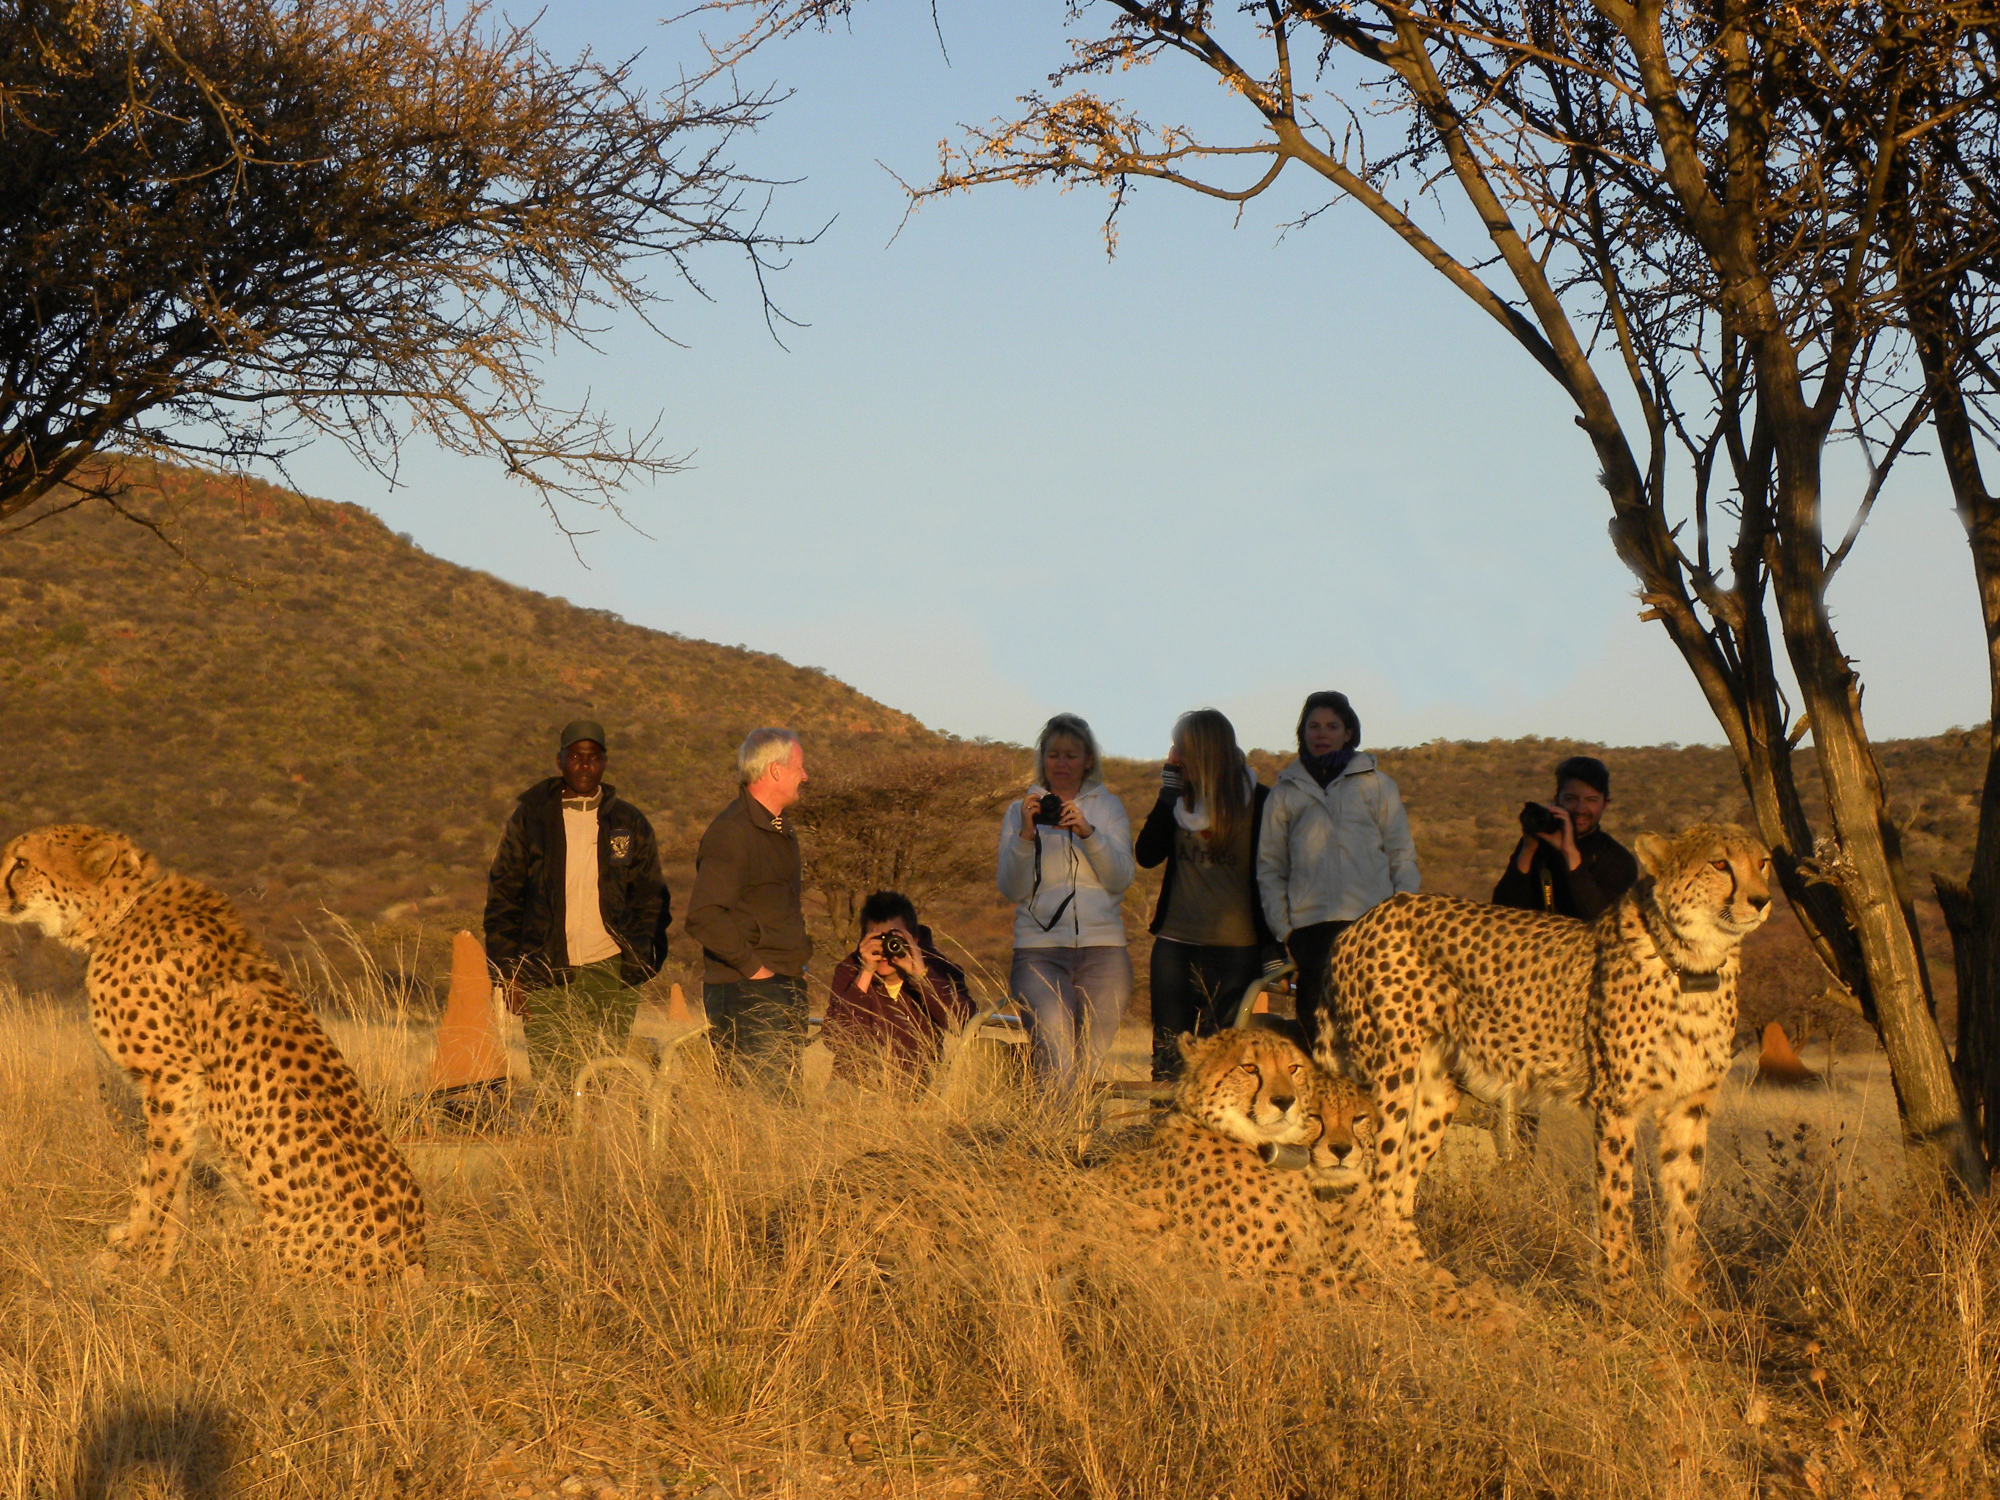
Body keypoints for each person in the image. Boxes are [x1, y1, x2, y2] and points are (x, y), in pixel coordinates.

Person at [484, 718, 669, 1091]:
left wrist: (639, 960)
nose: (585, 765)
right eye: (576, 756)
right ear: (560, 761)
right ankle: (556, 1149)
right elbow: (504, 897)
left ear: (604, 763)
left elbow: (651, 897)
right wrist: (508, 972)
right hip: (544, 971)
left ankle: (595, 1151)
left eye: (594, 757)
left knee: (603, 1081)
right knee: (554, 1083)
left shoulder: (628, 822)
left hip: (610, 972)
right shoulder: (531, 819)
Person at [1256, 690, 1419, 1045]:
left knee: (1374, 1034)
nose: (1322, 733)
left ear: (1348, 732)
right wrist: (1285, 931)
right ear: (1303, 733)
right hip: (1309, 932)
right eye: (1313, 726)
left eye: (1332, 725)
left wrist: (1402, 921)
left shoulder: (1377, 785)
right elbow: (1270, 868)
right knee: (1320, 1039)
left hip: (1372, 928)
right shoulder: (1285, 792)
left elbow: (1401, 857)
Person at [1135, 708, 1282, 1081]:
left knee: (1223, 1063)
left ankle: (1214, 1138)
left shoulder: (1262, 802)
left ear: (1205, 750)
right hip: (1174, 946)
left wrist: (1273, 945)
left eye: (1181, 748)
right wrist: (1167, 794)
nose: (1175, 756)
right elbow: (1147, 855)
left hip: (1236, 951)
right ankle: (1166, 1133)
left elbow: (1275, 876)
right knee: (1169, 1057)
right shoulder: (1178, 801)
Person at [996, 712, 1135, 1092]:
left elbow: (1120, 878)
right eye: (1053, 754)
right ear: (1042, 758)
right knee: (1056, 1060)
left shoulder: (1108, 809)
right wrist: (1026, 835)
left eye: (1071, 755)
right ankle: (1049, 1148)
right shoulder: (1019, 810)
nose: (1061, 763)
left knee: (1088, 1065)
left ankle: (1079, 1147)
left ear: (1088, 760)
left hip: (1104, 951)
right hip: (1039, 951)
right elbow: (1010, 888)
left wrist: (1088, 832)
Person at [685, 727, 813, 1085]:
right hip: (748, 992)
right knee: (760, 1113)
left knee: (782, 1113)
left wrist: (795, 965)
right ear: (775, 770)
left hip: (781, 986)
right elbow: (704, 916)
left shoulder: (780, 830)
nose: (805, 776)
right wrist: (756, 971)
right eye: (799, 768)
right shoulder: (732, 832)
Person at [823, 890, 974, 1089]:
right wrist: (866, 973)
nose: (886, 949)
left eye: (894, 939)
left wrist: (922, 977)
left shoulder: (940, 969)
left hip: (919, 1091)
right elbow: (835, 1040)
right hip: (855, 1092)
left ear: (914, 939)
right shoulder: (849, 971)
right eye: (878, 938)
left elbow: (965, 1023)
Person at [1493, 754, 1638, 921]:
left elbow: (1603, 924)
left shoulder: (1618, 859)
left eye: (1591, 800)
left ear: (1605, 804)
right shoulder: (1537, 845)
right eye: (1571, 799)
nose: (1580, 809)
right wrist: (1528, 849)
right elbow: (1501, 911)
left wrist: (1570, 854)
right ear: (1557, 801)